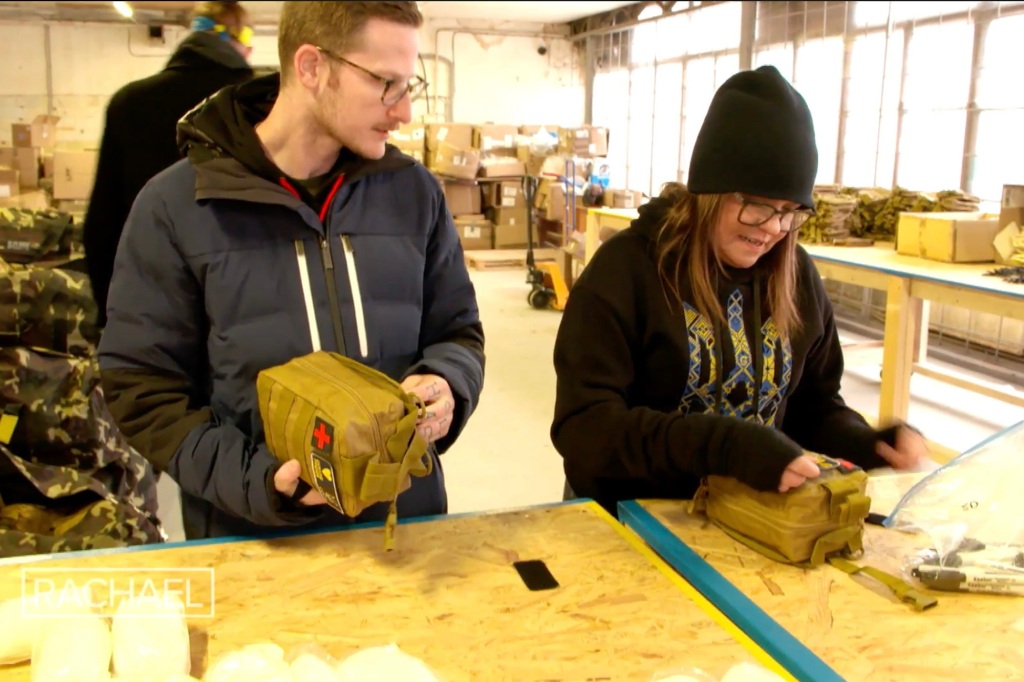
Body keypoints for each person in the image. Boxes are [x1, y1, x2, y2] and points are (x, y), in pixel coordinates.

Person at [97, 1, 485, 540]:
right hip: (253, 538)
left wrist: (450, 383)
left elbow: (458, 332)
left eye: (408, 85)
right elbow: (140, 386)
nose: (404, 113)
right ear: (311, 68)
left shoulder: (414, 194)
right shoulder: (176, 207)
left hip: (402, 526)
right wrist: (254, 481)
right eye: (385, 84)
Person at [551, 65, 928, 515]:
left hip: (743, 518)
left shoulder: (796, 276)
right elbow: (585, 430)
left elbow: (811, 404)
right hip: (625, 517)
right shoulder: (625, 272)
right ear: (711, 189)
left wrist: (869, 443)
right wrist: (726, 445)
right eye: (756, 206)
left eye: (790, 212)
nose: (773, 228)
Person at [83, 0, 255, 328]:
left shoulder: (130, 103)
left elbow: (101, 225)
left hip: (148, 303)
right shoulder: (258, 104)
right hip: (240, 311)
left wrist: (112, 318)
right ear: (238, 39)